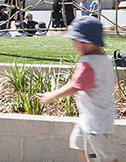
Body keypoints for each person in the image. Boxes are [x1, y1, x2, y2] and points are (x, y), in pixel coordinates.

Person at [37, 16, 119, 162]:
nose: (73, 45)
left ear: (85, 42)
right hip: (90, 118)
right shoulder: (105, 60)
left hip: (95, 124)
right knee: (79, 143)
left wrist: (52, 95)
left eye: (74, 41)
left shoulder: (89, 63)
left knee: (105, 157)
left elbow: (75, 86)